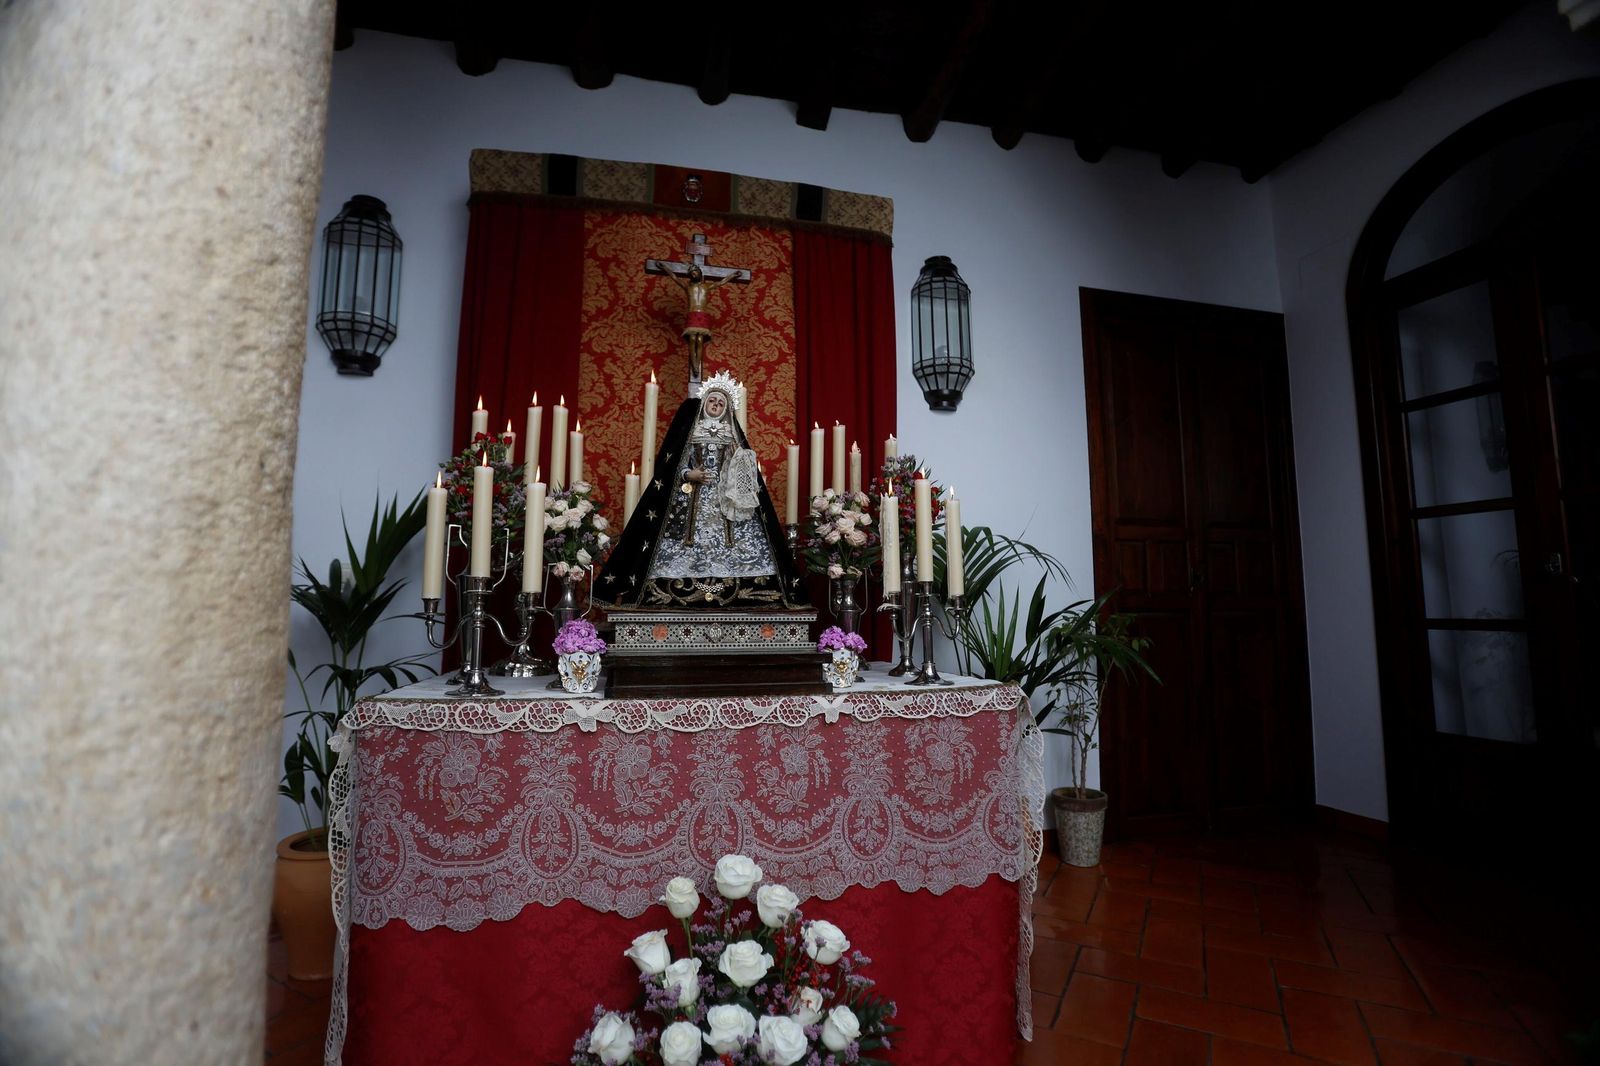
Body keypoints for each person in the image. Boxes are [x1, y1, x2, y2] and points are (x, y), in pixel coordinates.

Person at [595, 370, 808, 609]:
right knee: (687, 539)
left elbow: (742, 466)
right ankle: (676, 582)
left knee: (735, 537)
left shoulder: (731, 434)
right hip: (692, 500)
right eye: (712, 401)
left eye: (721, 403)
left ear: (727, 409)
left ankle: (739, 583)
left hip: (724, 497)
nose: (716, 406)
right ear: (704, 403)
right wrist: (689, 474)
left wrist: (738, 466)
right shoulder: (692, 432)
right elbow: (674, 464)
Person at [667, 264, 739, 383]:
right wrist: (665, 268)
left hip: (702, 315)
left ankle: (697, 364)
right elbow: (675, 278)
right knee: (692, 338)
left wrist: (732, 275)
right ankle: (694, 363)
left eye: (695, 272)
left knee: (700, 339)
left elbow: (720, 283)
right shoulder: (687, 287)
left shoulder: (706, 286)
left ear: (700, 273)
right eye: (691, 273)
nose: (694, 274)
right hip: (692, 314)